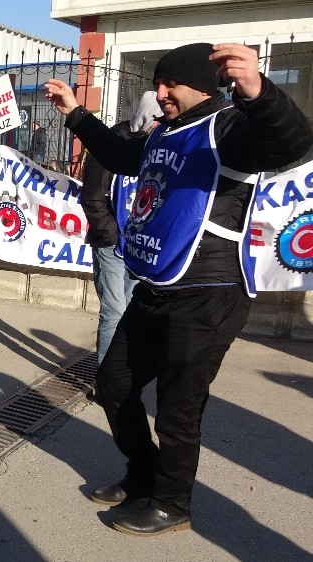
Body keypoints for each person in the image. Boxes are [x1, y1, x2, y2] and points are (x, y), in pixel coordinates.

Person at [45, 42, 312, 536]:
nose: (161, 93)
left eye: (172, 84)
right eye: (158, 84)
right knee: (114, 385)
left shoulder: (229, 126)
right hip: (157, 287)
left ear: (204, 86)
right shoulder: (163, 131)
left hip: (209, 292)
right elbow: (122, 155)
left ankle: (172, 503)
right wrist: (77, 115)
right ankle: (142, 475)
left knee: (177, 409)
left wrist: (257, 90)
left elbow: (289, 142)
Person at [79, 92, 162, 365]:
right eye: (158, 121)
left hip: (138, 245)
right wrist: (111, 236)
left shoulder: (156, 145)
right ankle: (105, 378)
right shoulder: (112, 144)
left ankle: (121, 371)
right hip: (112, 243)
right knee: (114, 311)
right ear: (147, 117)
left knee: (129, 311)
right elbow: (92, 197)